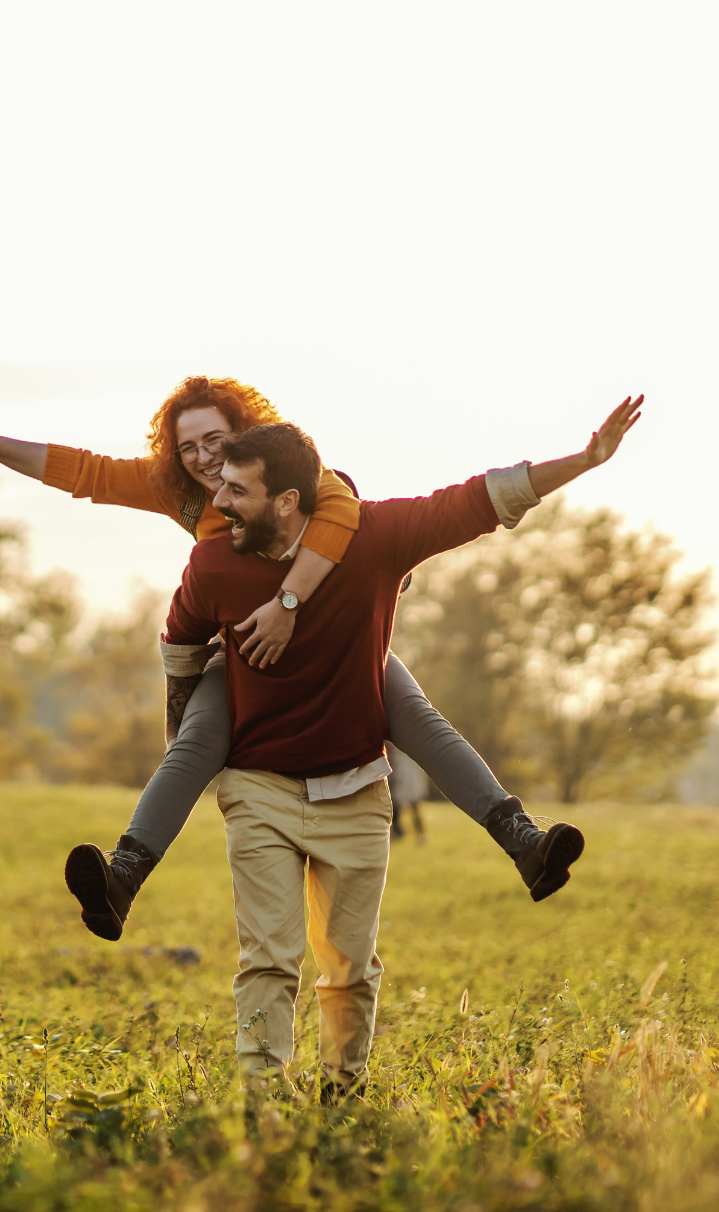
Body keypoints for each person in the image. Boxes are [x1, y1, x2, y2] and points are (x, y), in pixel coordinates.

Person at [0, 379, 605, 933]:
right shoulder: (180, 491)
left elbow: (400, 512)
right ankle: (122, 875)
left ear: (247, 435)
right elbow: (79, 471)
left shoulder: (302, 477)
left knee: (420, 720)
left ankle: (523, 841)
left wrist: (288, 604)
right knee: (194, 745)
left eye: (216, 440)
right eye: (188, 447)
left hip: (336, 641)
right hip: (241, 652)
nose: (204, 459)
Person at [157, 402, 639, 1095]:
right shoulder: (213, 562)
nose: (218, 500)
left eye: (236, 490)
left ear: (288, 501)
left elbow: (481, 499)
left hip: (354, 786)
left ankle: (342, 1091)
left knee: (350, 966)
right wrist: (186, 740)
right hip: (258, 783)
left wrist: (584, 461)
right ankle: (262, 1101)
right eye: (220, 484)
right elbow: (179, 646)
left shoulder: (376, 535)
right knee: (268, 958)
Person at [386, 743, 427, 842]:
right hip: (400, 784)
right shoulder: (394, 754)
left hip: (411, 784)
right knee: (396, 811)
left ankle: (421, 835)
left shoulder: (409, 754)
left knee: (415, 809)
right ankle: (397, 833)